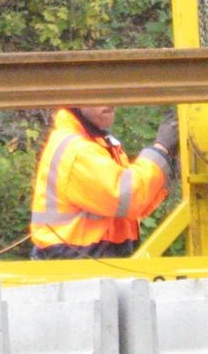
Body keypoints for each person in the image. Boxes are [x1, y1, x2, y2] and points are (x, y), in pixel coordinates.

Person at [30, 106, 179, 259]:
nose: (108, 101)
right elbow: (128, 197)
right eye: (97, 94)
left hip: (91, 259)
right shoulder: (78, 150)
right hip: (77, 264)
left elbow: (135, 206)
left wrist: (166, 159)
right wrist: (161, 151)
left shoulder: (97, 143)